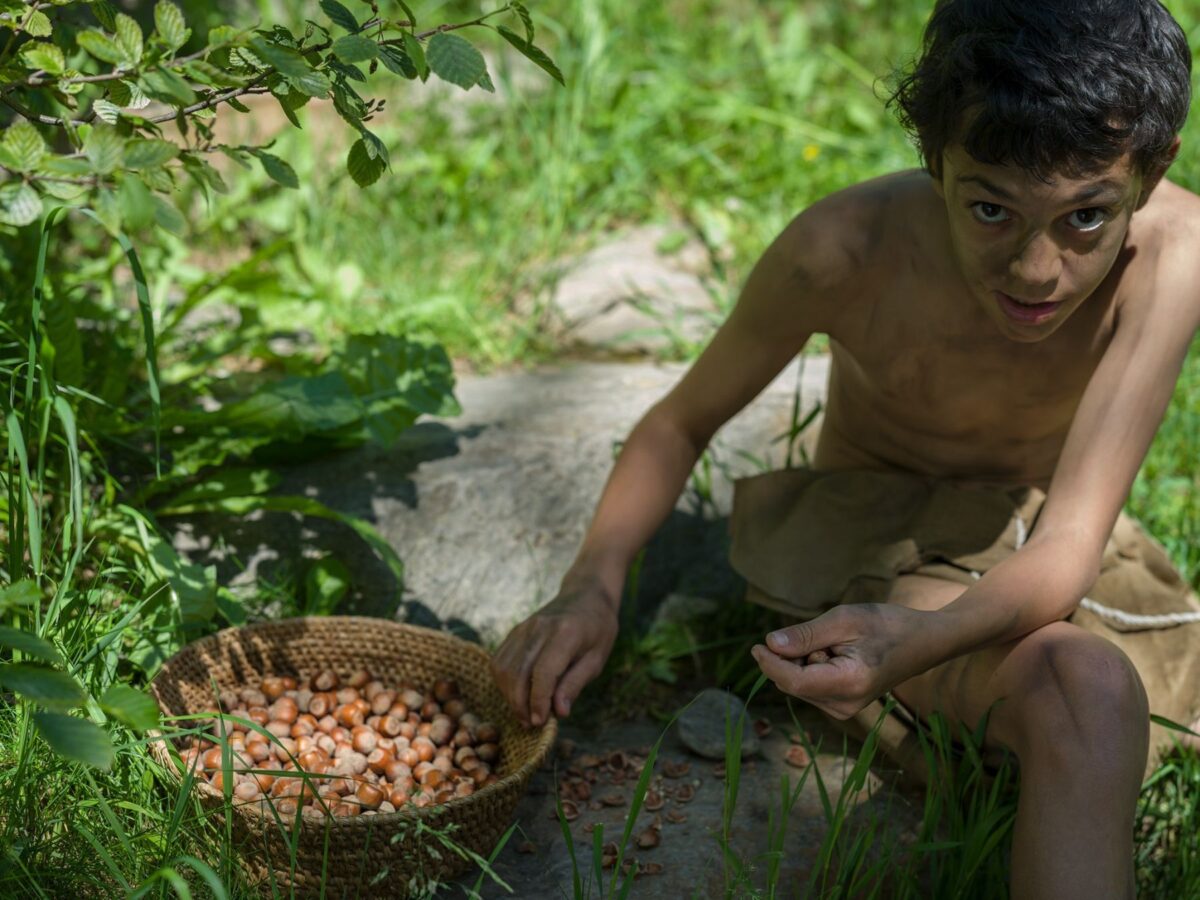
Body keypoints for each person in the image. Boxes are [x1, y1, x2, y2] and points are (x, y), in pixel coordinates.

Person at [491, 1, 1200, 897]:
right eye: (989, 208)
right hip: (881, 546)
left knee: (1089, 697)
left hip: (1044, 541)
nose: (1035, 269)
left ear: (1153, 170)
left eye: (1087, 219)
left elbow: (1067, 547)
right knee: (1086, 691)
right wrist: (590, 585)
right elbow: (679, 422)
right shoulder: (845, 249)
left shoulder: (1177, 253)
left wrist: (925, 645)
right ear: (934, 158)